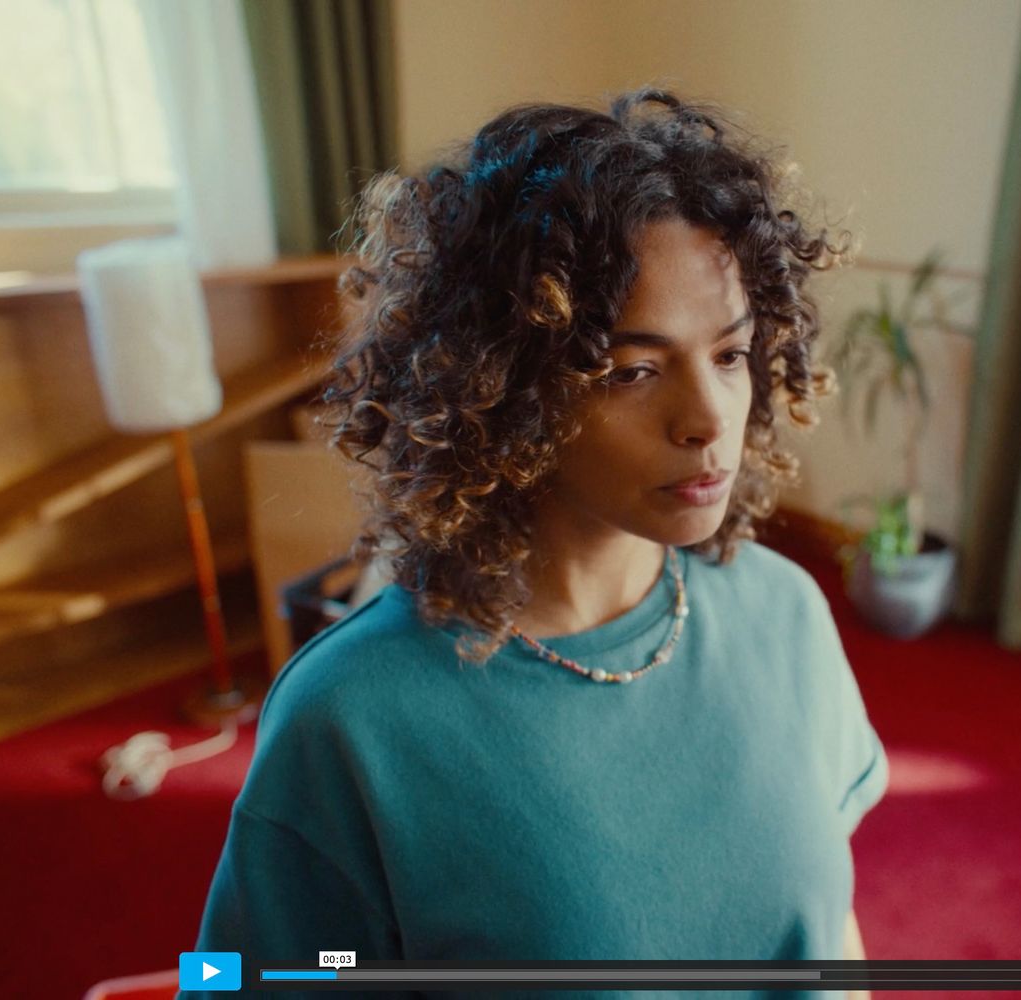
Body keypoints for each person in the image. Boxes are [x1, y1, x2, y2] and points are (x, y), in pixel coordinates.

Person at [176, 86, 889, 1000]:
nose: (710, 420)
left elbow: (832, 938)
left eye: (730, 355)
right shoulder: (350, 717)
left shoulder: (785, 613)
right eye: (633, 370)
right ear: (503, 390)